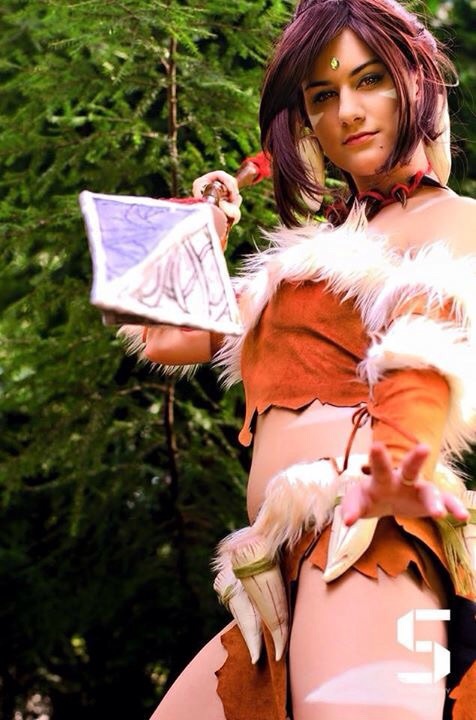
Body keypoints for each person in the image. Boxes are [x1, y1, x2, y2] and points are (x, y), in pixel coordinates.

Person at [123, 1, 476, 718]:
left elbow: (429, 351)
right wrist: (206, 221)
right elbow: (163, 335)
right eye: (322, 95)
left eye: (370, 80)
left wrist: (392, 464)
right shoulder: (301, 261)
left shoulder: (454, 220)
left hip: (373, 542)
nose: (347, 111)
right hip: (274, 569)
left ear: (418, 83)